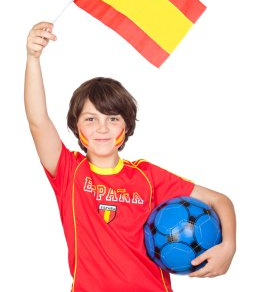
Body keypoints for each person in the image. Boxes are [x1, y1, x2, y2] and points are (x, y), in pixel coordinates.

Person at [24, 22, 236, 292]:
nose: (102, 128)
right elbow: (37, 121)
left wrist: (228, 246)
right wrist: (33, 59)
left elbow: (220, 201)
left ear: (126, 126)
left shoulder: (146, 176)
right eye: (91, 119)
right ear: (77, 126)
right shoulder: (69, 171)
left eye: (113, 118)